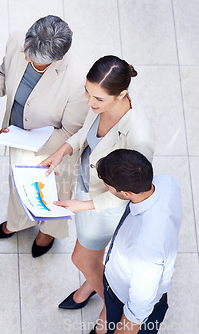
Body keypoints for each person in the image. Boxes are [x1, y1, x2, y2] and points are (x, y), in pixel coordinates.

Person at [39, 56, 155, 324]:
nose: (90, 103)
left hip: (103, 207)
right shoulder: (100, 101)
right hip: (85, 186)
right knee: (91, 258)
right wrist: (62, 150)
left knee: (81, 259)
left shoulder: (139, 136)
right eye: (87, 92)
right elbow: (85, 134)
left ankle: (110, 305)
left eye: (98, 99)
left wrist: (84, 206)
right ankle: (91, 285)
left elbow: (130, 191)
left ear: (122, 94)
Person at [0, 15, 88, 257]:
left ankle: (48, 232)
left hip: (54, 150)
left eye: (34, 61)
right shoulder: (18, 41)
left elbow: (70, 132)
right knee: (19, 187)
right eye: (26, 52)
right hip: (17, 137)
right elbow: (3, 72)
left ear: (59, 59)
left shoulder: (77, 81)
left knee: (53, 195)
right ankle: (18, 223)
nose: (25, 59)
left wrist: (21, 136)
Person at [93, 149, 182, 334]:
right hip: (116, 285)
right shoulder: (166, 182)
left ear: (126, 193)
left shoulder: (145, 247)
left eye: (107, 184)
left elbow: (138, 309)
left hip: (124, 303)